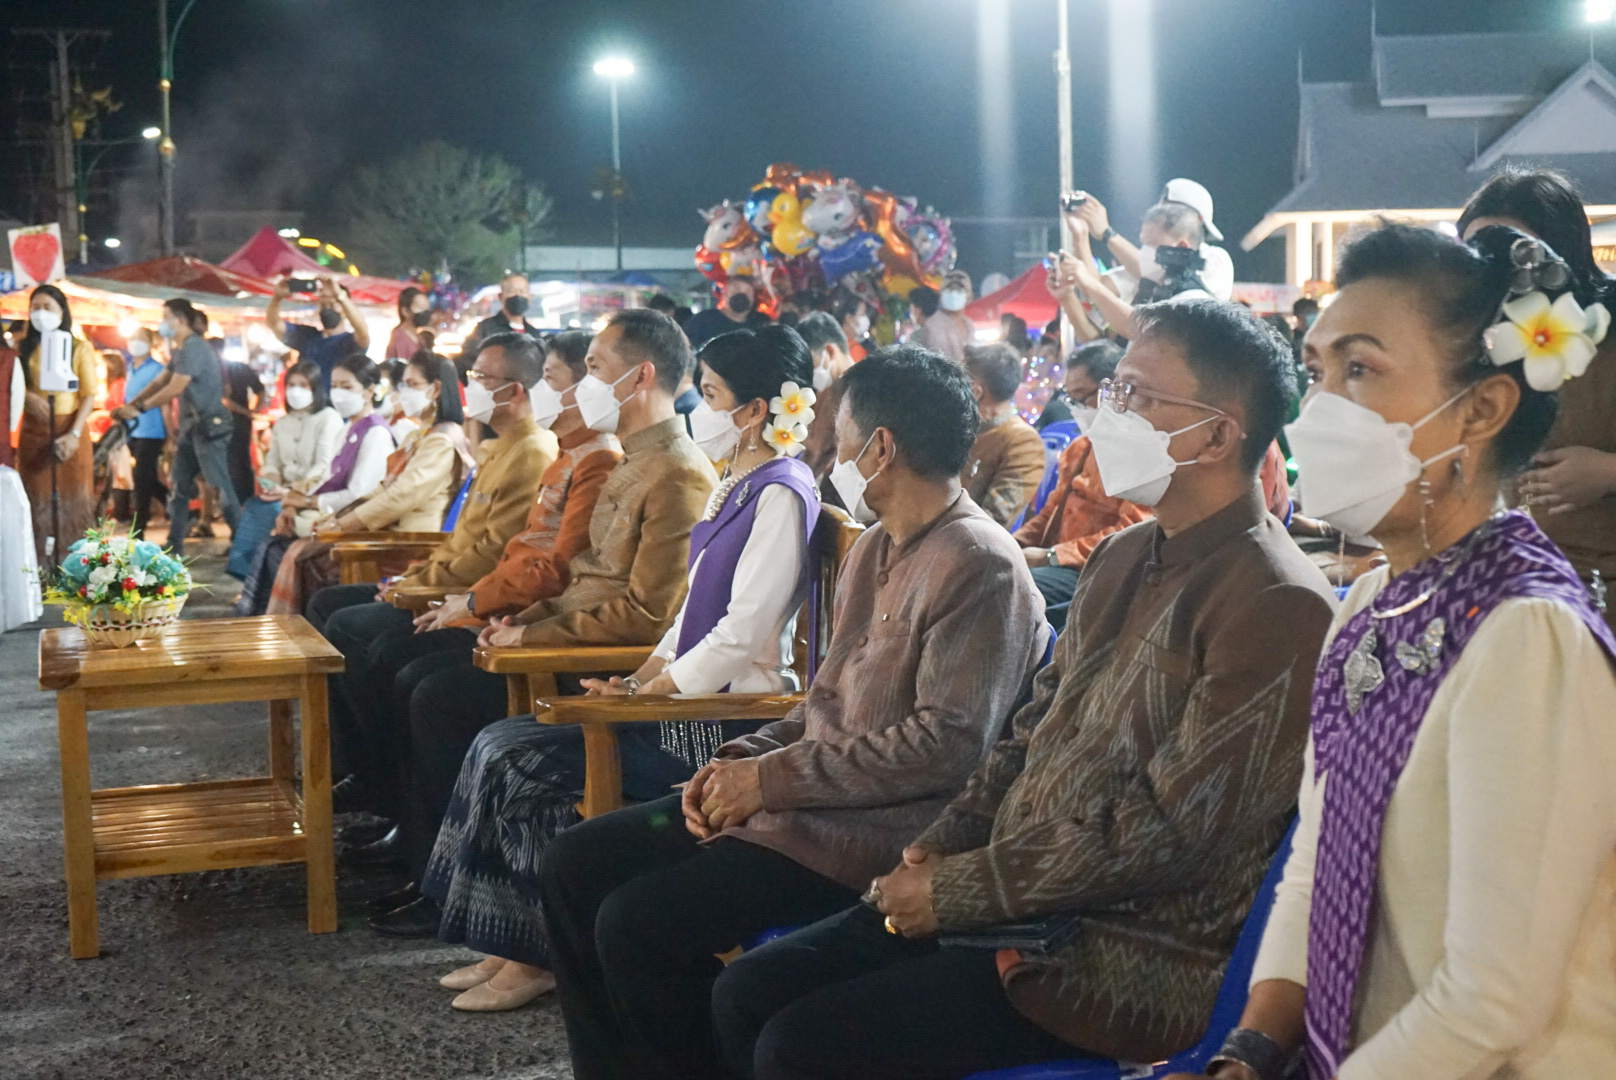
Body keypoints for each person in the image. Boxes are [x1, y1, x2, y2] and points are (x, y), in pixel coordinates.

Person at [714, 298, 1338, 1080]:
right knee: (748, 990)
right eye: (1113, 393)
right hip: (1011, 895)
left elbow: (1167, 835)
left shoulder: (1277, 602)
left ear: (1216, 433)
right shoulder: (1122, 556)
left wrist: (957, 890)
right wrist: (937, 848)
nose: (1109, 414)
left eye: (1136, 397)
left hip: (1114, 949)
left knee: (800, 1042)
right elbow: (1028, 733)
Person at [538, 344, 1050, 1080]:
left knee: (637, 924)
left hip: (866, 835)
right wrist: (738, 764)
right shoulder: (876, 544)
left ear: (879, 448)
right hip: (798, 808)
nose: (823, 447)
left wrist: (770, 783)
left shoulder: (980, 563)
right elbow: (823, 701)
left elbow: (947, 746)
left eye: (836, 433)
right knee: (576, 862)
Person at [1181, 223, 1616, 1080]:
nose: (1321, 408)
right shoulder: (1379, 599)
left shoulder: (1526, 636)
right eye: (1319, 370)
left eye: (1362, 369)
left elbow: (1492, 1002)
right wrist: (1253, 1046)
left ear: (1483, 409)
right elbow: (1319, 853)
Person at [419, 325, 822, 1011]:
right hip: (674, 699)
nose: (702, 408)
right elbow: (684, 612)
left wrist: (658, 689)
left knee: (520, 762)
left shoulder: (780, 493)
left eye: (716, 394)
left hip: (715, 721)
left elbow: (739, 635)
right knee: (499, 743)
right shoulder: (738, 484)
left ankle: (535, 952)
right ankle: (511, 941)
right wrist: (640, 678)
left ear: (755, 412)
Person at [355, 311, 715, 933]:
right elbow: (579, 581)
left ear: (641, 377)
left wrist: (530, 633)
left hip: (606, 668)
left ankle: (461, 902)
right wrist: (518, 620)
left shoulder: (677, 471)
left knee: (438, 695)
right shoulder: (636, 459)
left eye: (593, 370)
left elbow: (645, 616)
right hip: (563, 644)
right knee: (421, 676)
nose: (578, 387)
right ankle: (445, 885)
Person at [328, 330, 617, 883]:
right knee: (386, 651)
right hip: (520, 613)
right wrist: (446, 593)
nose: (543, 392)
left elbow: (553, 570)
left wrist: (487, 610)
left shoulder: (586, 458)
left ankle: (433, 863)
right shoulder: (561, 456)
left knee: (420, 680)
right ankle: (408, 828)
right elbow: (502, 550)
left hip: (570, 644)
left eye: (551, 380)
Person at [309, 331, 556, 827]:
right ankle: (370, 777)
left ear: (519, 390)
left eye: (484, 378)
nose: (473, 386)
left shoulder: (533, 451)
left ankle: (393, 797)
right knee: (330, 609)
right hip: (454, 584)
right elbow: (463, 540)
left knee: (381, 651)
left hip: (485, 601)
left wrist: (426, 590)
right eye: (472, 376)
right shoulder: (502, 446)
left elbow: (493, 554)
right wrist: (415, 578)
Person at [1456, 166, 1616, 632]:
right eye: (1475, 250)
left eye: (1515, 246)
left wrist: (1605, 472)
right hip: (1500, 592)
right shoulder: (1474, 346)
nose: (1494, 264)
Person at [264, 352, 474, 616]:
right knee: (296, 552)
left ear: (437, 389)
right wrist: (339, 519)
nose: (403, 392)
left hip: (410, 545)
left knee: (307, 560)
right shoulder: (420, 435)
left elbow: (400, 496)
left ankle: (306, 646)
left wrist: (344, 525)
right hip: (389, 534)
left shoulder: (440, 440)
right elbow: (383, 488)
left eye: (412, 384)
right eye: (402, 385)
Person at [231, 354, 394, 615]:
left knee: (277, 550)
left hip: (348, 524)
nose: (339, 393)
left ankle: (276, 621)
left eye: (347, 386)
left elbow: (359, 495)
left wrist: (304, 502)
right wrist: (292, 502)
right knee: (268, 541)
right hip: (324, 514)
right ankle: (260, 618)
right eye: (335, 386)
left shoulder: (375, 433)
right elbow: (324, 479)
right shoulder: (348, 429)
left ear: (370, 390)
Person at [112, 299, 239, 557]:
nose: (162, 323)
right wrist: (132, 404)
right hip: (191, 431)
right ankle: (174, 546)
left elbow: (175, 387)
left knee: (220, 487)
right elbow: (162, 380)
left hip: (209, 429)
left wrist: (138, 408)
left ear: (180, 320)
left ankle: (244, 546)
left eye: (166, 317)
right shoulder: (181, 350)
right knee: (179, 489)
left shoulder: (194, 348)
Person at [16, 284, 102, 565]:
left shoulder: (78, 347)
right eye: (35, 308)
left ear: (62, 312)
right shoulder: (23, 348)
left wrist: (74, 433)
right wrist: (27, 396)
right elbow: (14, 386)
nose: (41, 314)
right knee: (37, 501)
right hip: (34, 433)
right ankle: (39, 568)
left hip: (70, 431)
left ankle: (76, 567)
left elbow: (89, 394)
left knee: (72, 502)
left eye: (47, 307)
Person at [959, 342, 1047, 527]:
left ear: (976, 392)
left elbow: (992, 520)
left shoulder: (1023, 442)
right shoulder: (964, 430)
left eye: (959, 383)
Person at [265, 275, 371, 389]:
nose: (326, 309)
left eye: (332, 304)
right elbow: (274, 324)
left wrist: (340, 295)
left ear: (345, 309)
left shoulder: (351, 341)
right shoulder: (307, 336)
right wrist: (277, 297)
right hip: (310, 403)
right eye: (322, 304)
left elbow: (363, 330)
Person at [796, 311, 856, 490]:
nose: (809, 374)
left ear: (829, 351)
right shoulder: (825, 392)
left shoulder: (863, 395)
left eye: (811, 363)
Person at [121, 328, 169, 538]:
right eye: (133, 338)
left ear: (151, 343)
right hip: (133, 429)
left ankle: (138, 527)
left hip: (153, 429)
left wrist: (171, 432)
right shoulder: (130, 368)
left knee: (142, 478)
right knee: (145, 477)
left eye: (140, 339)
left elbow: (165, 402)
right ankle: (173, 504)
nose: (136, 343)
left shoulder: (159, 369)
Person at [458, 274, 544, 373]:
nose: (517, 296)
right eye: (511, 291)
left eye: (522, 291)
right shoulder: (486, 328)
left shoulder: (534, 334)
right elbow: (466, 359)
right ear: (501, 296)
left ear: (529, 297)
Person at [683, 276, 771, 351]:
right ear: (724, 294)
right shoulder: (702, 321)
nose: (741, 294)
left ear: (753, 298)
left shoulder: (762, 324)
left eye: (747, 292)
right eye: (736, 289)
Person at [222, 354, 265, 505]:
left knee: (234, 465)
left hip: (226, 424)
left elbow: (225, 401)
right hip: (242, 423)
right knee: (243, 463)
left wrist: (249, 413)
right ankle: (247, 502)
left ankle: (238, 505)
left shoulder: (218, 369)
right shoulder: (239, 367)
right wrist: (252, 412)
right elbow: (261, 391)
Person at [909, 272, 971, 361]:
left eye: (959, 291)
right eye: (949, 291)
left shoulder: (969, 324)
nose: (953, 295)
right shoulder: (936, 327)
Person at [388, 286, 434, 367]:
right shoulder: (400, 338)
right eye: (421, 307)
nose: (426, 312)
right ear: (406, 311)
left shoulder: (419, 337)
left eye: (427, 308)